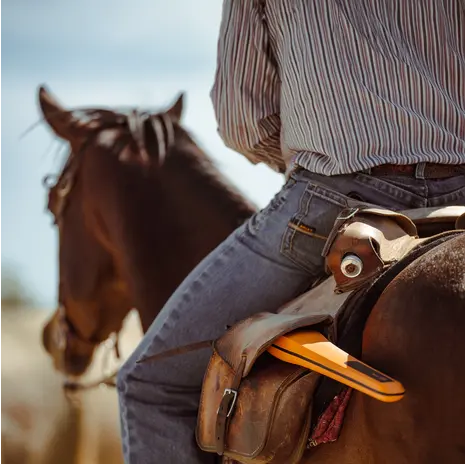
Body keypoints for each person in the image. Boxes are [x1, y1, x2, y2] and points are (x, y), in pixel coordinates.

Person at [117, 1, 465, 462]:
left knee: (148, 386)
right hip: (459, 202)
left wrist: (306, 153)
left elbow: (244, 121)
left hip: (333, 200)